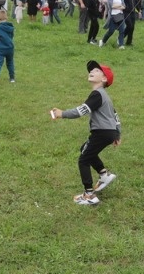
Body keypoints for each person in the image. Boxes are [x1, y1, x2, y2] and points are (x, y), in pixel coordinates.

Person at [49, 60, 121, 206]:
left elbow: (81, 111)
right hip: (108, 132)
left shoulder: (97, 94)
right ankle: (104, 175)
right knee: (86, 150)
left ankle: (89, 195)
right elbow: (115, 115)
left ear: (104, 79)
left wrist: (62, 113)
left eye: (97, 71)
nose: (92, 71)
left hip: (102, 132)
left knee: (84, 159)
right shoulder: (104, 95)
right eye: (91, 70)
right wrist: (117, 134)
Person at [0, 9, 15, 85]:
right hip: (10, 48)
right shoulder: (10, 27)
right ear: (6, 17)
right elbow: (11, 36)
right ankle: (12, 78)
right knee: (10, 62)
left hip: (1, 48)